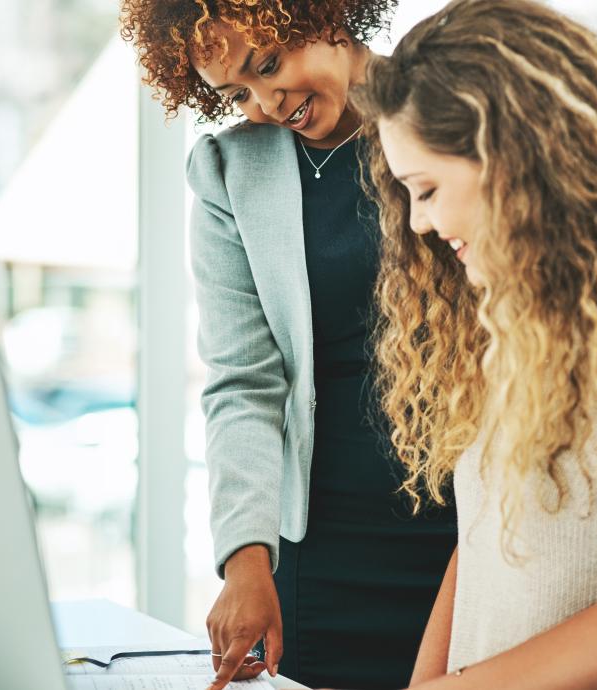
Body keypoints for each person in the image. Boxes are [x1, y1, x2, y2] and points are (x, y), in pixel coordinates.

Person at [119, 2, 457, 689]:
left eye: (269, 65)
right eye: (236, 93)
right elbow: (242, 378)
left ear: (329, 14)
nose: (268, 103)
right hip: (323, 546)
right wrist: (246, 559)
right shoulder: (227, 172)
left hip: (471, 524)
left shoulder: (454, 107)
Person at [350, 0, 597, 687]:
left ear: (510, 161)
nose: (418, 222)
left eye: (425, 188)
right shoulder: (519, 329)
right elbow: (482, 541)